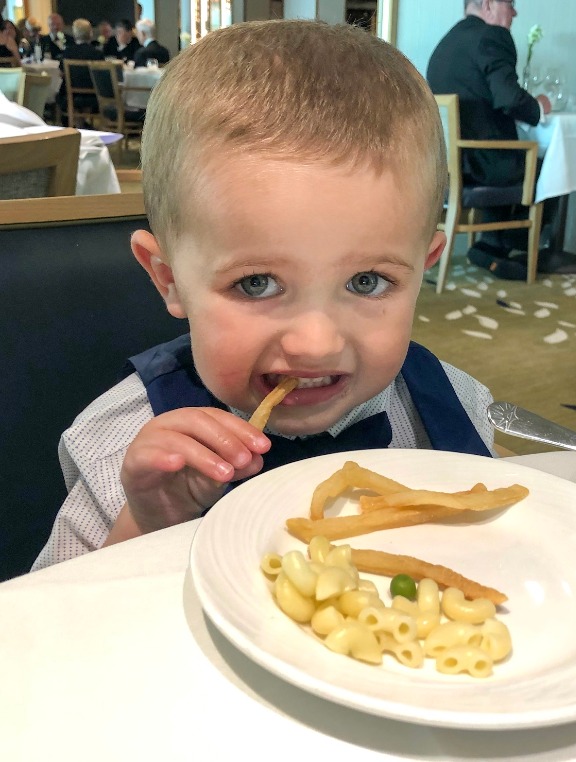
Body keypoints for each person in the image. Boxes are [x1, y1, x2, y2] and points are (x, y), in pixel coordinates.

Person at [32, 19, 497, 570]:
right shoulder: (118, 447)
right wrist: (144, 525)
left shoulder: (458, 407)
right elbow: (49, 630)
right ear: (168, 279)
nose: (316, 343)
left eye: (367, 282)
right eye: (256, 284)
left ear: (423, 271)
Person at [427, 0, 552, 280]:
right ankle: (520, 253)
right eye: (510, 4)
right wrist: (539, 106)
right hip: (484, 164)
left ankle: (490, 248)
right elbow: (508, 97)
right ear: (489, 5)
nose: (515, 12)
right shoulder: (492, 36)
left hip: (448, 165)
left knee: (516, 157)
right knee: (549, 165)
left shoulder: (447, 43)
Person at [56, 18, 104, 123]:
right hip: (93, 97)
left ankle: (78, 122)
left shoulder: (67, 53)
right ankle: (82, 123)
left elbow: (61, 74)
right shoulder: (97, 53)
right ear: (90, 33)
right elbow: (101, 77)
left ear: (74, 33)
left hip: (71, 96)